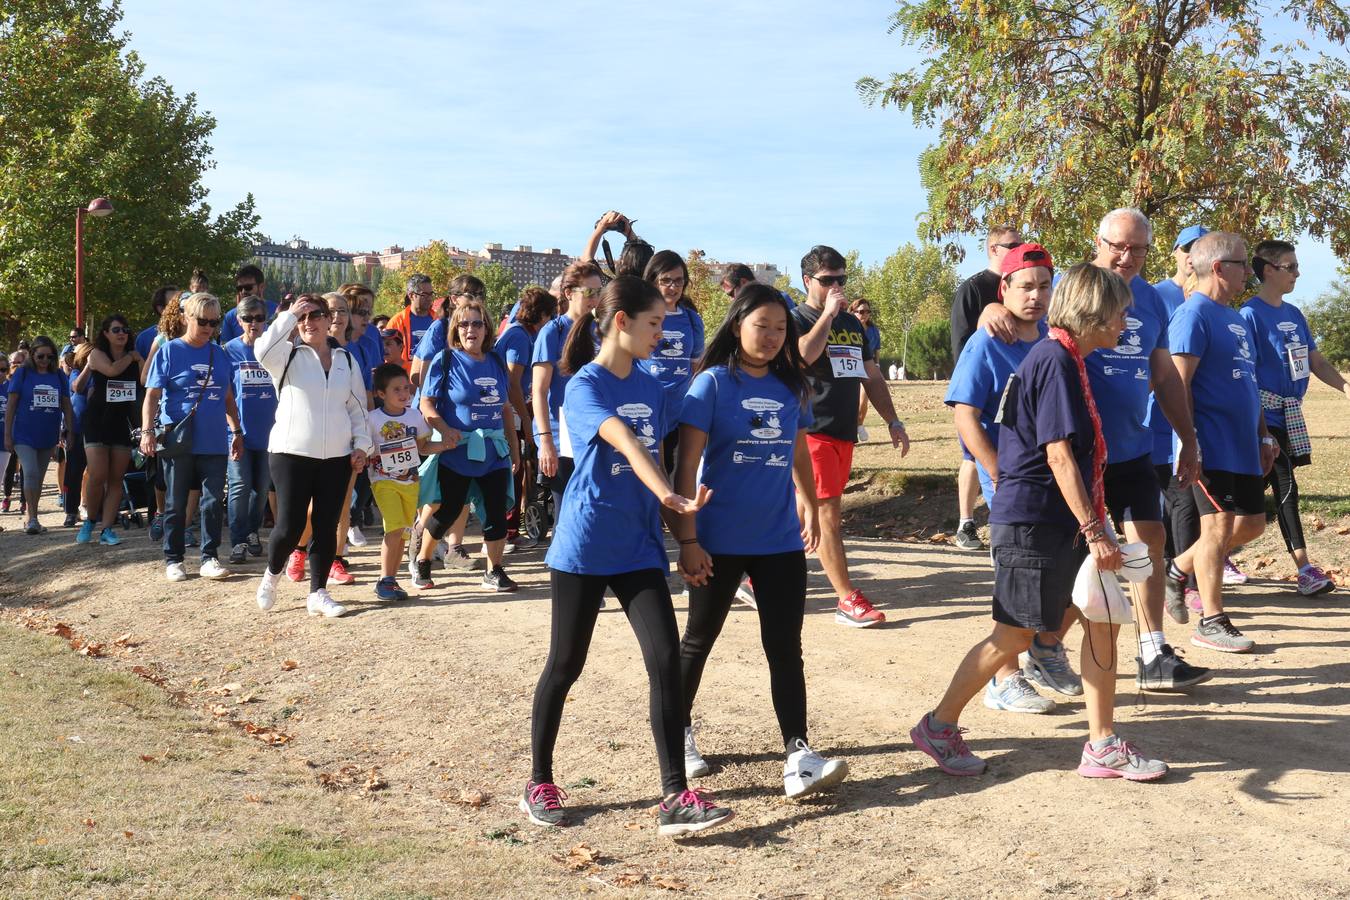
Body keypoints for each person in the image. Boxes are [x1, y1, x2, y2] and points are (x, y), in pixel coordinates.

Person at [911, 263, 1169, 781]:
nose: (1126, 323)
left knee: (1101, 622)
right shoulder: (1055, 361)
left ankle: (1102, 744)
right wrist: (1097, 531)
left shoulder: (1068, 358)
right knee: (1013, 637)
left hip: (1063, 520)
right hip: (1033, 522)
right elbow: (1058, 455)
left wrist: (1097, 524)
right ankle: (938, 726)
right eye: (1120, 313)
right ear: (1094, 314)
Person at [521, 275, 734, 836]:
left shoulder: (652, 388)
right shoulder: (585, 384)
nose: (662, 336)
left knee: (665, 660)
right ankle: (539, 779)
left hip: (639, 547)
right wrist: (665, 492)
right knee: (566, 664)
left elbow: (664, 457)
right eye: (655, 324)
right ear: (621, 321)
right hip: (586, 545)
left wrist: (685, 537)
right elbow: (625, 441)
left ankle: (674, 796)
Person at [674, 283, 848, 798]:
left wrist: (811, 503)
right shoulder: (709, 385)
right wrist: (687, 538)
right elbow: (685, 464)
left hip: (777, 540)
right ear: (736, 326)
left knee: (785, 647)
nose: (772, 336)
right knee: (699, 640)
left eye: (780, 328)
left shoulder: (791, 387)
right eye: (761, 326)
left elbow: (798, 452)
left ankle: (799, 753)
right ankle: (677, 733)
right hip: (717, 538)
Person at [1079, 208, 1206, 693]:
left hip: (1131, 445)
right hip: (1079, 448)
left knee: (1149, 540)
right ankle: (1037, 648)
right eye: (1118, 246)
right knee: (1074, 558)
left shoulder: (1151, 299)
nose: (1127, 256)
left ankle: (1152, 651)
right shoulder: (1073, 287)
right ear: (1099, 241)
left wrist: (1188, 438)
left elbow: (1165, 375)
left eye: (1138, 249)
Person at [944, 244, 1064, 712]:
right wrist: (997, 472)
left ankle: (1043, 650)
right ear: (1005, 288)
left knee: (1057, 580)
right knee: (1011, 585)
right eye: (1025, 286)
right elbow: (965, 416)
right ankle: (1004, 679)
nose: (1035, 296)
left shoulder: (1052, 338)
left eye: (1043, 286)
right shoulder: (987, 342)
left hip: (1052, 483)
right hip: (1013, 487)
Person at [1165, 232, 1278, 653]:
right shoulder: (1192, 315)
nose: (1250, 271)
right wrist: (1189, 442)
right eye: (1243, 264)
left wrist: (1264, 434)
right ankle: (1211, 620)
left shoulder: (1234, 317)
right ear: (1217, 267)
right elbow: (1178, 384)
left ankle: (1177, 568)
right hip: (1209, 444)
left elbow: (1249, 384)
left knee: (1252, 524)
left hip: (1244, 444)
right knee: (1216, 528)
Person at [791, 245, 910, 627]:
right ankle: (845, 599)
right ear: (808, 281)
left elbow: (871, 376)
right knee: (827, 514)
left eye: (841, 279)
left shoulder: (854, 325)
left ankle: (755, 575)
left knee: (806, 509)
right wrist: (826, 314)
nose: (837, 287)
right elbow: (802, 357)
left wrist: (893, 421)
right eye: (828, 281)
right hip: (812, 429)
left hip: (843, 431)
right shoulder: (796, 318)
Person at [253, 294, 372, 617]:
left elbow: (357, 407)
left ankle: (318, 591)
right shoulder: (286, 356)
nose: (309, 322)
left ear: (327, 319)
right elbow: (262, 349)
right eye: (303, 317)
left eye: (314, 315)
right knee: (289, 526)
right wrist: (289, 316)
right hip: (290, 453)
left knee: (326, 525)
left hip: (336, 456)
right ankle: (271, 575)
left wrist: (362, 444)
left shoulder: (346, 360)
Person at [1242, 239, 1349, 595]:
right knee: (1286, 486)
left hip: (1289, 415)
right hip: (1263, 414)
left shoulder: (1294, 314)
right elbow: (1246, 372)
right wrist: (1258, 427)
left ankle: (1207, 554)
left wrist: (1346, 388)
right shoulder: (1249, 315)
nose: (1298, 273)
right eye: (1291, 266)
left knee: (1251, 490)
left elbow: (1315, 361)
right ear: (1268, 269)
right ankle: (1305, 569)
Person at [414, 300, 520, 591]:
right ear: (455, 329)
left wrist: (514, 445)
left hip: (493, 451)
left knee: (497, 511)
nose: (470, 329)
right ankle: (423, 558)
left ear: (486, 328)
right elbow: (426, 403)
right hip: (457, 451)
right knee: (448, 511)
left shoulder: (497, 361)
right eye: (463, 324)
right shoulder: (446, 360)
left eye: (476, 323)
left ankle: (494, 571)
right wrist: (444, 429)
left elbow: (505, 408)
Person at [140, 293, 241, 581]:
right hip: (179, 440)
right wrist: (147, 431)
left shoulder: (220, 354)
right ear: (186, 318)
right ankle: (174, 559)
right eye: (203, 321)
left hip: (213, 441)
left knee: (211, 503)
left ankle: (210, 557)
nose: (209, 327)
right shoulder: (170, 351)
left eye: (214, 321)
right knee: (175, 502)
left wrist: (236, 431)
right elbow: (152, 395)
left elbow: (228, 398)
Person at [949, 226, 1024, 551]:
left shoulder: (1029, 286)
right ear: (993, 249)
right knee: (973, 455)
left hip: (1019, 399)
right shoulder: (973, 289)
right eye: (1013, 246)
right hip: (981, 396)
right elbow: (963, 343)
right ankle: (966, 521)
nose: (1019, 249)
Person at [1150, 225, 1207, 617]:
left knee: (1184, 500)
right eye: (1187, 248)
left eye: (1200, 249)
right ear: (1175, 252)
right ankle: (1169, 575)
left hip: (1189, 422)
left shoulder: (1209, 303)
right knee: (1166, 507)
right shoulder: (1156, 296)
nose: (1192, 255)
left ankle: (1185, 582)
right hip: (1152, 423)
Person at [367, 363, 449, 601]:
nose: (404, 394)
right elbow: (363, 446)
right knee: (393, 528)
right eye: (396, 390)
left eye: (406, 388)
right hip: (383, 481)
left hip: (411, 481)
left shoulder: (415, 416)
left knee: (403, 532)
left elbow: (424, 447)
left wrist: (443, 445)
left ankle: (390, 580)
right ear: (381, 394)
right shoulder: (372, 419)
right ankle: (385, 579)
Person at [532, 260, 604, 518]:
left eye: (599, 292)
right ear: (568, 293)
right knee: (567, 514)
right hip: (561, 435)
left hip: (595, 431)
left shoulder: (601, 331)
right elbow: (539, 391)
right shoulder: (553, 332)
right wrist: (546, 442)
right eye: (589, 293)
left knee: (592, 511)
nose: (595, 300)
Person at [71, 314, 142, 545]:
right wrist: (131, 357)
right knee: (97, 474)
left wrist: (139, 358)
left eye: (125, 329)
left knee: (115, 479)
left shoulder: (134, 357)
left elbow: (145, 379)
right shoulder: (96, 354)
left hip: (122, 423)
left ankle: (107, 530)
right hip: (97, 421)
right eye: (116, 329)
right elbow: (111, 371)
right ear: (105, 334)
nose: (122, 333)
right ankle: (90, 521)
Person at [496, 286, 557, 550]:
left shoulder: (519, 332)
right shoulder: (520, 337)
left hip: (513, 411)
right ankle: (508, 530)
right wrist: (526, 419)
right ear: (541, 314)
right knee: (515, 468)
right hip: (508, 414)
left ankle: (509, 528)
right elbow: (512, 382)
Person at [222, 296, 277, 564]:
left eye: (259, 318)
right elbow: (224, 393)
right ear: (238, 321)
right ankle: (238, 540)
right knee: (239, 486)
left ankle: (253, 531)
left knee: (260, 489)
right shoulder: (228, 350)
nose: (253, 323)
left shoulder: (276, 349)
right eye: (248, 318)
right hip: (239, 433)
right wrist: (234, 430)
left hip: (270, 434)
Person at [640, 251, 706, 474]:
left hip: (680, 413)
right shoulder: (640, 315)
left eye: (679, 281)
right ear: (653, 280)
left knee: (677, 478)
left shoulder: (691, 319)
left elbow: (697, 367)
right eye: (666, 280)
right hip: (645, 409)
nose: (673, 287)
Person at [5, 336, 76, 534]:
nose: (45, 360)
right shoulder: (23, 374)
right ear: (33, 355)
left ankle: (31, 515)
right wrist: (7, 434)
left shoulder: (59, 376)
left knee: (39, 477)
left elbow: (67, 406)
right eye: (40, 356)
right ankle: (33, 519)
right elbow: (11, 405)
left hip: (47, 435)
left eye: (49, 356)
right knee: (32, 473)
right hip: (24, 434)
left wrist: (70, 431)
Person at [142, 291, 191, 544]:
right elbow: (144, 378)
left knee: (192, 476)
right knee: (163, 475)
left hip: (195, 418)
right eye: (184, 309)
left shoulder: (208, 342)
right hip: (166, 418)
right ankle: (161, 514)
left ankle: (186, 523)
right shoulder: (162, 341)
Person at [411, 274, 487, 387]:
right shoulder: (440, 328)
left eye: (481, 295)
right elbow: (421, 376)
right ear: (454, 299)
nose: (477, 300)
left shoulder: (483, 328)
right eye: (472, 294)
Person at [61, 345, 90, 527]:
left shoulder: (102, 374)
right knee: (73, 472)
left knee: (96, 472)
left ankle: (95, 508)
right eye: (89, 356)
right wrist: (89, 367)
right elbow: (77, 387)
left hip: (96, 429)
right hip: (77, 430)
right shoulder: (75, 372)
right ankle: (71, 512)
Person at [388, 274, 436, 372]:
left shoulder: (438, 321)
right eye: (424, 294)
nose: (429, 298)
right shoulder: (397, 322)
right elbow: (387, 353)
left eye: (431, 294)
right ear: (411, 295)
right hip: (404, 378)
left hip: (433, 376)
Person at [850, 298, 882, 442]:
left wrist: (877, 365)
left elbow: (877, 349)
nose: (865, 314)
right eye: (861, 311)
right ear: (853, 312)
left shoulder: (873, 329)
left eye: (867, 311)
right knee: (851, 400)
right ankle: (851, 427)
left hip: (868, 367)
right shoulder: (847, 328)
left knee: (863, 400)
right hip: (851, 368)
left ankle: (859, 425)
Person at [220, 265, 274, 343]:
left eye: (248, 287)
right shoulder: (231, 317)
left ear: (261, 287)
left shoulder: (277, 311)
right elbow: (225, 350)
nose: (243, 291)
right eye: (239, 288)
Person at [136, 285, 178, 360]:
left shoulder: (195, 335)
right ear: (161, 309)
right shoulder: (145, 338)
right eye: (174, 303)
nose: (181, 306)